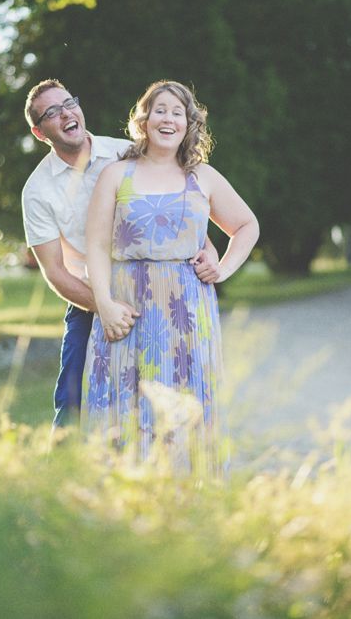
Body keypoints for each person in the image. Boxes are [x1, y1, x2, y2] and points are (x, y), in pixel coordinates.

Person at [20, 79, 220, 429]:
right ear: (40, 133)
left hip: (161, 293)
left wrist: (209, 248)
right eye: (52, 112)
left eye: (69, 102)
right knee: (72, 397)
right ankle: (61, 474)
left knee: (174, 386)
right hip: (91, 298)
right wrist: (106, 307)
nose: (66, 113)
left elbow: (179, 201)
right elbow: (55, 271)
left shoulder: (123, 151)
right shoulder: (37, 191)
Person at [82, 80, 259, 473]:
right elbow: (95, 246)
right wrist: (105, 305)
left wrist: (223, 268)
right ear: (144, 120)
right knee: (125, 404)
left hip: (187, 315)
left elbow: (246, 225)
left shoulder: (203, 177)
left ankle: (184, 509)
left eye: (177, 112)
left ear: (188, 124)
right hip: (128, 311)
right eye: (160, 110)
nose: (168, 119)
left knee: (186, 405)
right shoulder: (116, 175)